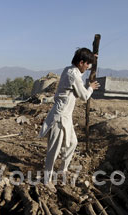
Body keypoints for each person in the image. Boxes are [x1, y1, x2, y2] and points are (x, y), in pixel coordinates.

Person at [39, 47, 100, 186]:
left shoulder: (70, 70)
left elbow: (79, 76)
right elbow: (84, 96)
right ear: (81, 62)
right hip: (59, 117)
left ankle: (63, 170)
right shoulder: (73, 74)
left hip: (66, 117)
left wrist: (91, 57)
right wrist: (91, 87)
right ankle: (47, 180)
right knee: (53, 150)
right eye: (87, 64)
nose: (88, 67)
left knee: (73, 143)